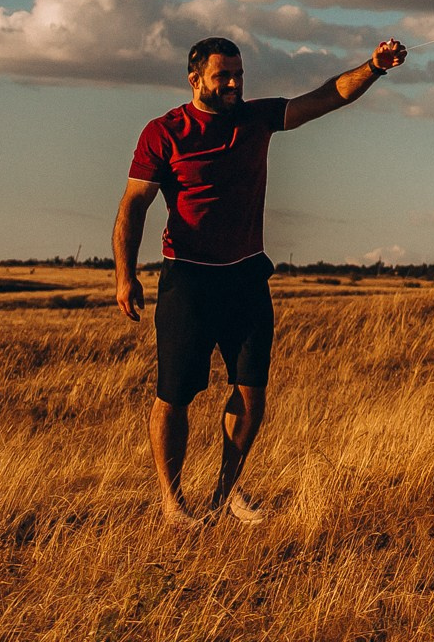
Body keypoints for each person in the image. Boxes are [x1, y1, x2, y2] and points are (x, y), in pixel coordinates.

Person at [113, 34, 407, 526]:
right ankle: (172, 501)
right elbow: (132, 206)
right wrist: (125, 276)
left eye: (239, 74)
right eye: (222, 75)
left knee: (251, 393)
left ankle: (225, 493)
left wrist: (374, 68)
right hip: (188, 277)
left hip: (247, 274)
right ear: (195, 80)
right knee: (174, 396)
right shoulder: (164, 132)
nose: (234, 83)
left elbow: (327, 96)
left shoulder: (255, 118)